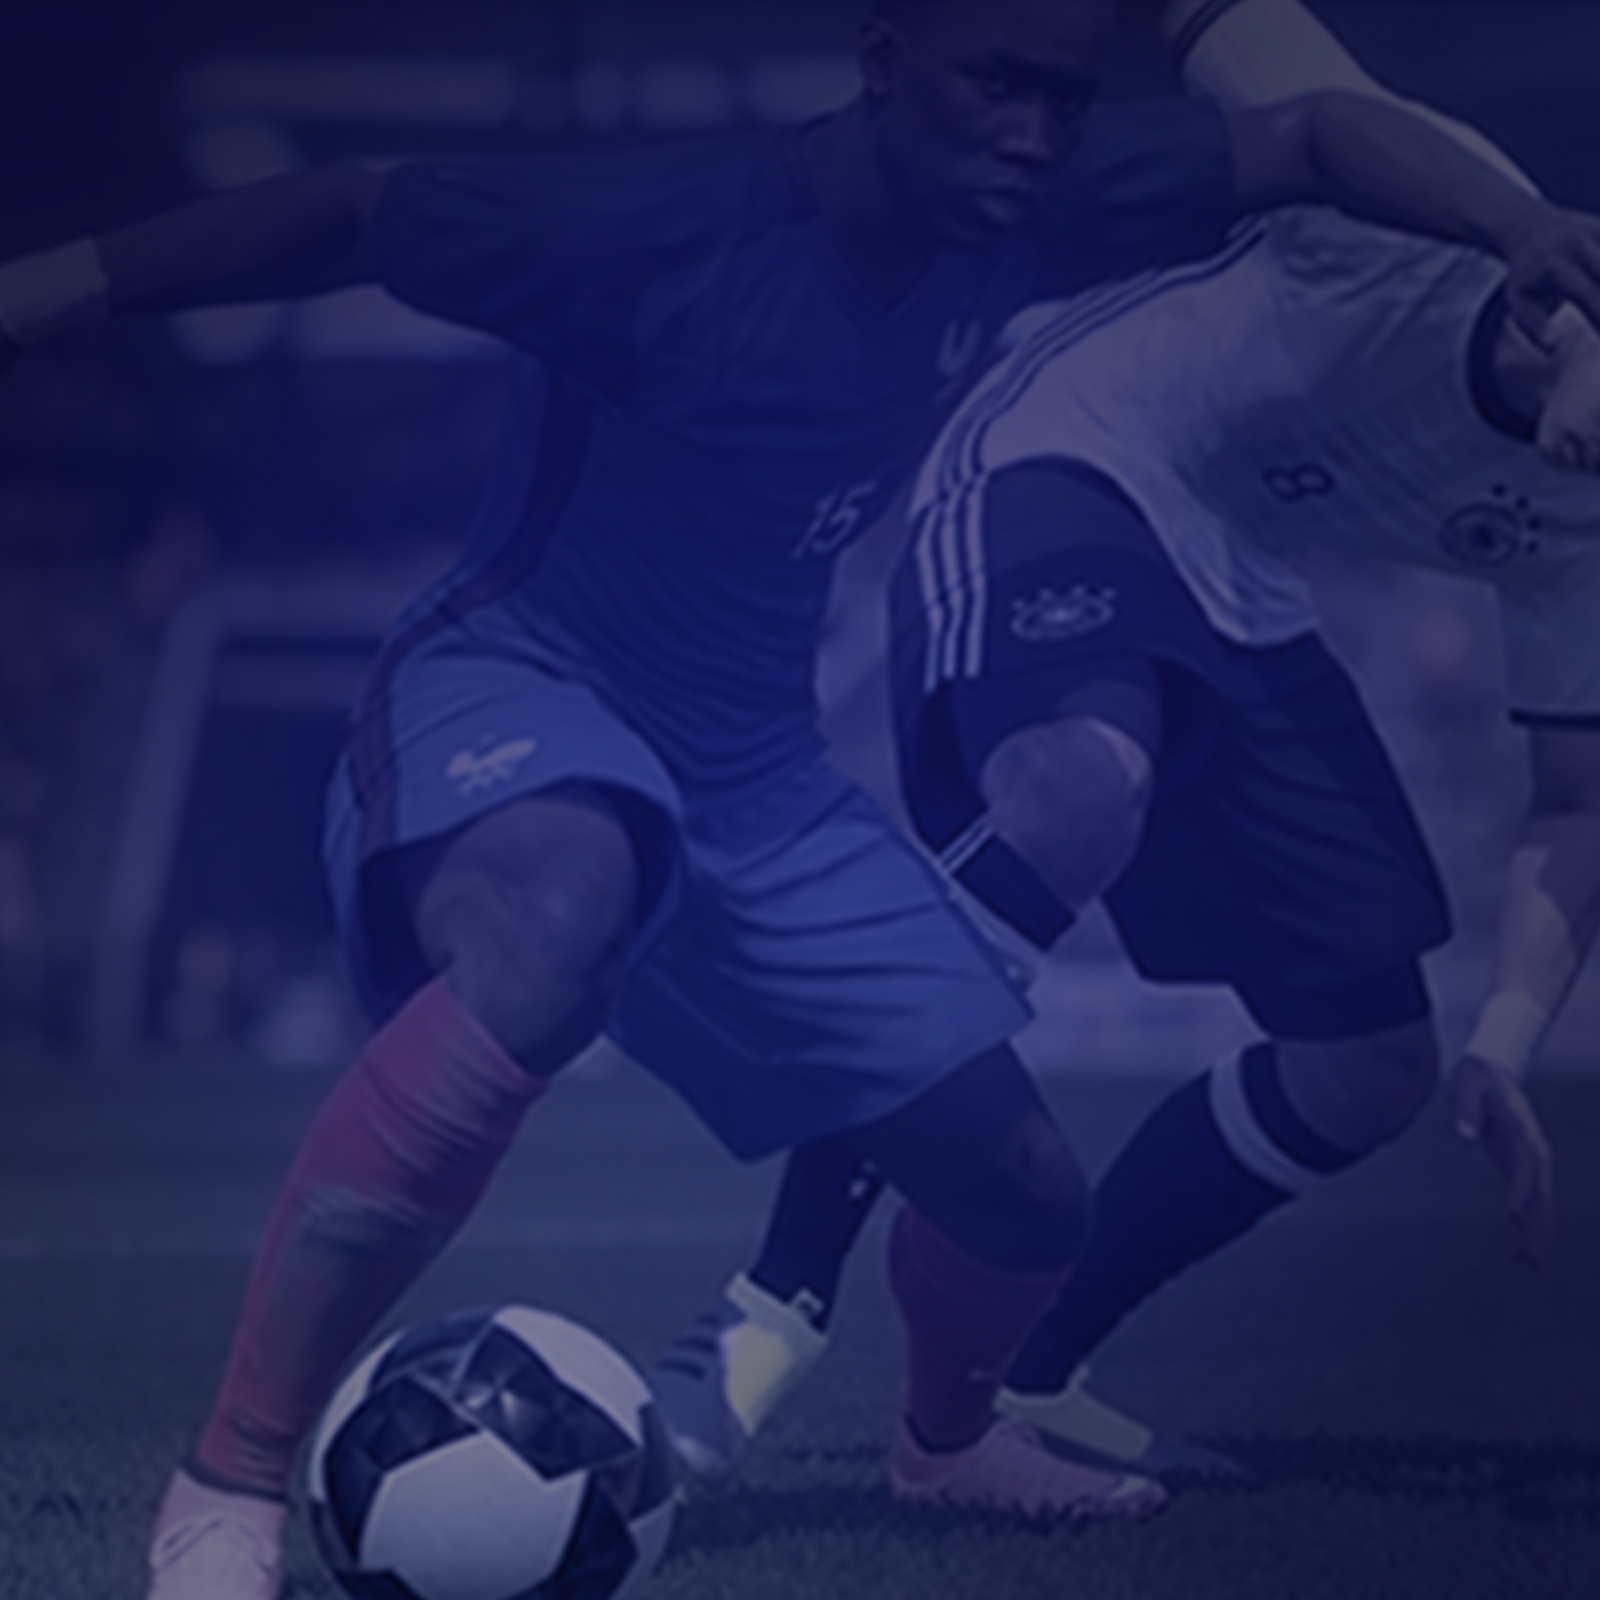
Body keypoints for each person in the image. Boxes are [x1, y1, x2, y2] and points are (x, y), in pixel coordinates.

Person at [6, 1, 1600, 1594]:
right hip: (526, 680)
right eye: (997, 85)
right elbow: (353, 214)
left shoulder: (1035, 198)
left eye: (1064, 99)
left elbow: (1311, 137)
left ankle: (948, 1441)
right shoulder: (658, 232)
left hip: (760, 781)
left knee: (1024, 1197)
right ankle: (232, 1478)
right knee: (559, 921)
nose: (1036, 134)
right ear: (882, 62)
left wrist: (1519, 226)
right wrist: (41, 288)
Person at [648, 0, 1600, 1488]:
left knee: (1368, 1068)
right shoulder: (1441, 207)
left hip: (1243, 579)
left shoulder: (1587, 524)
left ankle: (1011, 1392)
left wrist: (1506, 1045)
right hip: (1073, 447)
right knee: (1078, 782)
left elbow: (1579, 800)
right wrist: (1508, 216)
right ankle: (770, 1311)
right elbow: (1231, 26)